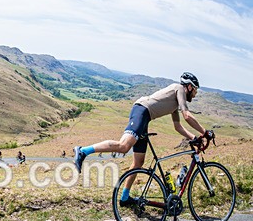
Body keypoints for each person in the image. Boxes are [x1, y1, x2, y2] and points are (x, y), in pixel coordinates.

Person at [73, 72, 208, 207]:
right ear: (189, 87)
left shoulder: (176, 102)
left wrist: (194, 138)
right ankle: (83, 151)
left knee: (138, 162)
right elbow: (187, 116)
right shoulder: (179, 88)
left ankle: (125, 198)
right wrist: (205, 132)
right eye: (195, 90)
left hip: (145, 117)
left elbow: (178, 126)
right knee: (124, 146)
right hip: (142, 111)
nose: (195, 94)